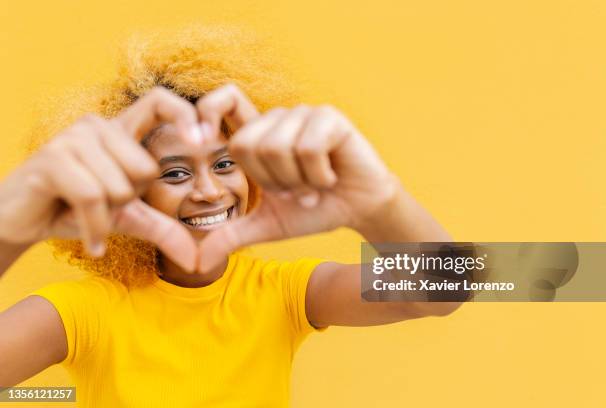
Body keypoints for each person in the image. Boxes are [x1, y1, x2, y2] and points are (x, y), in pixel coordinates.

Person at [0, 26, 459, 407]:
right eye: (176, 173)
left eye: (224, 164)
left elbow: (448, 290)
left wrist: (378, 203)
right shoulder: (86, 312)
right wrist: (10, 226)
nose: (209, 191)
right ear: (129, 189)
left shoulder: (282, 293)